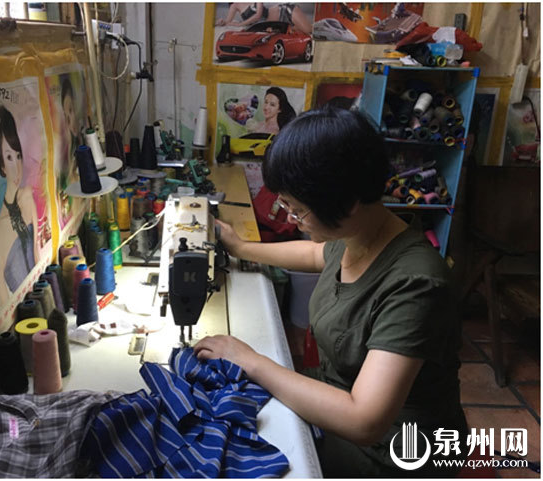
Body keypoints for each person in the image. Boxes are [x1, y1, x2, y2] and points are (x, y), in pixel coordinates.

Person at [194, 106, 467, 477]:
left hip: (392, 450)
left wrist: (253, 362)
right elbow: (314, 254)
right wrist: (241, 248)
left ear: (348, 203)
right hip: (341, 402)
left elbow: (364, 420)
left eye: (298, 210)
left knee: (235, 452)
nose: (292, 219)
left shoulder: (417, 286)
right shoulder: (359, 234)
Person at [0, 104, 39, 306]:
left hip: (43, 298)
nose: (17, 166)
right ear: (1, 165)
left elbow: (37, 252)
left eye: (18, 156)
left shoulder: (27, 197)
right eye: (9, 157)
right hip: (24, 313)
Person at [59, 76, 83, 221]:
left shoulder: (81, 149)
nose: (70, 120)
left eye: (71, 110)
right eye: (65, 115)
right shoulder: (64, 161)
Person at [217, 3, 312, 35]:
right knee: (305, 34)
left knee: (309, 31)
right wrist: (221, 22)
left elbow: (258, 15)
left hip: (285, 11)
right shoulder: (234, 5)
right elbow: (228, 22)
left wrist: (241, 24)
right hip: (279, 25)